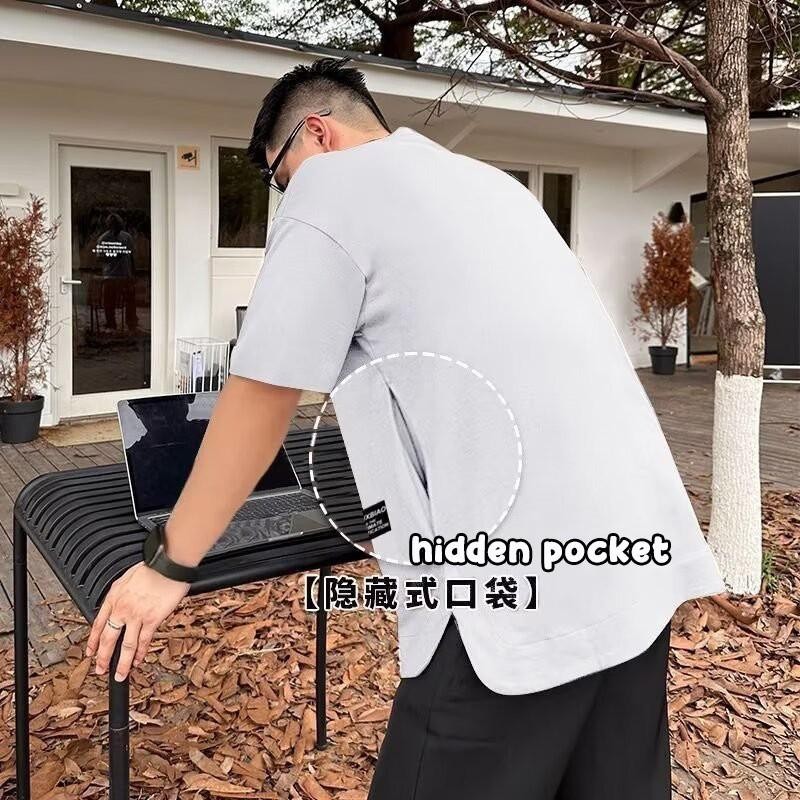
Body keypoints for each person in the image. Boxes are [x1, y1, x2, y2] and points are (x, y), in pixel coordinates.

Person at [86, 58, 725, 798]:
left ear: (317, 133)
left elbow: (262, 392)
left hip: (508, 593)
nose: (283, 199)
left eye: (279, 177)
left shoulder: (330, 186)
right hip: (634, 559)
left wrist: (168, 565)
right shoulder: (497, 188)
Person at [95, 213, 138, 332]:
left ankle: (131, 323)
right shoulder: (103, 239)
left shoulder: (127, 237)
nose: (116, 227)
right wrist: (113, 255)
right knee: (109, 301)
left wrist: (133, 274)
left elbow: (132, 256)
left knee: (130, 300)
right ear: (109, 225)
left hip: (125, 275)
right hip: (110, 276)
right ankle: (111, 324)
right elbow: (99, 257)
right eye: (113, 224)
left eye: (117, 224)